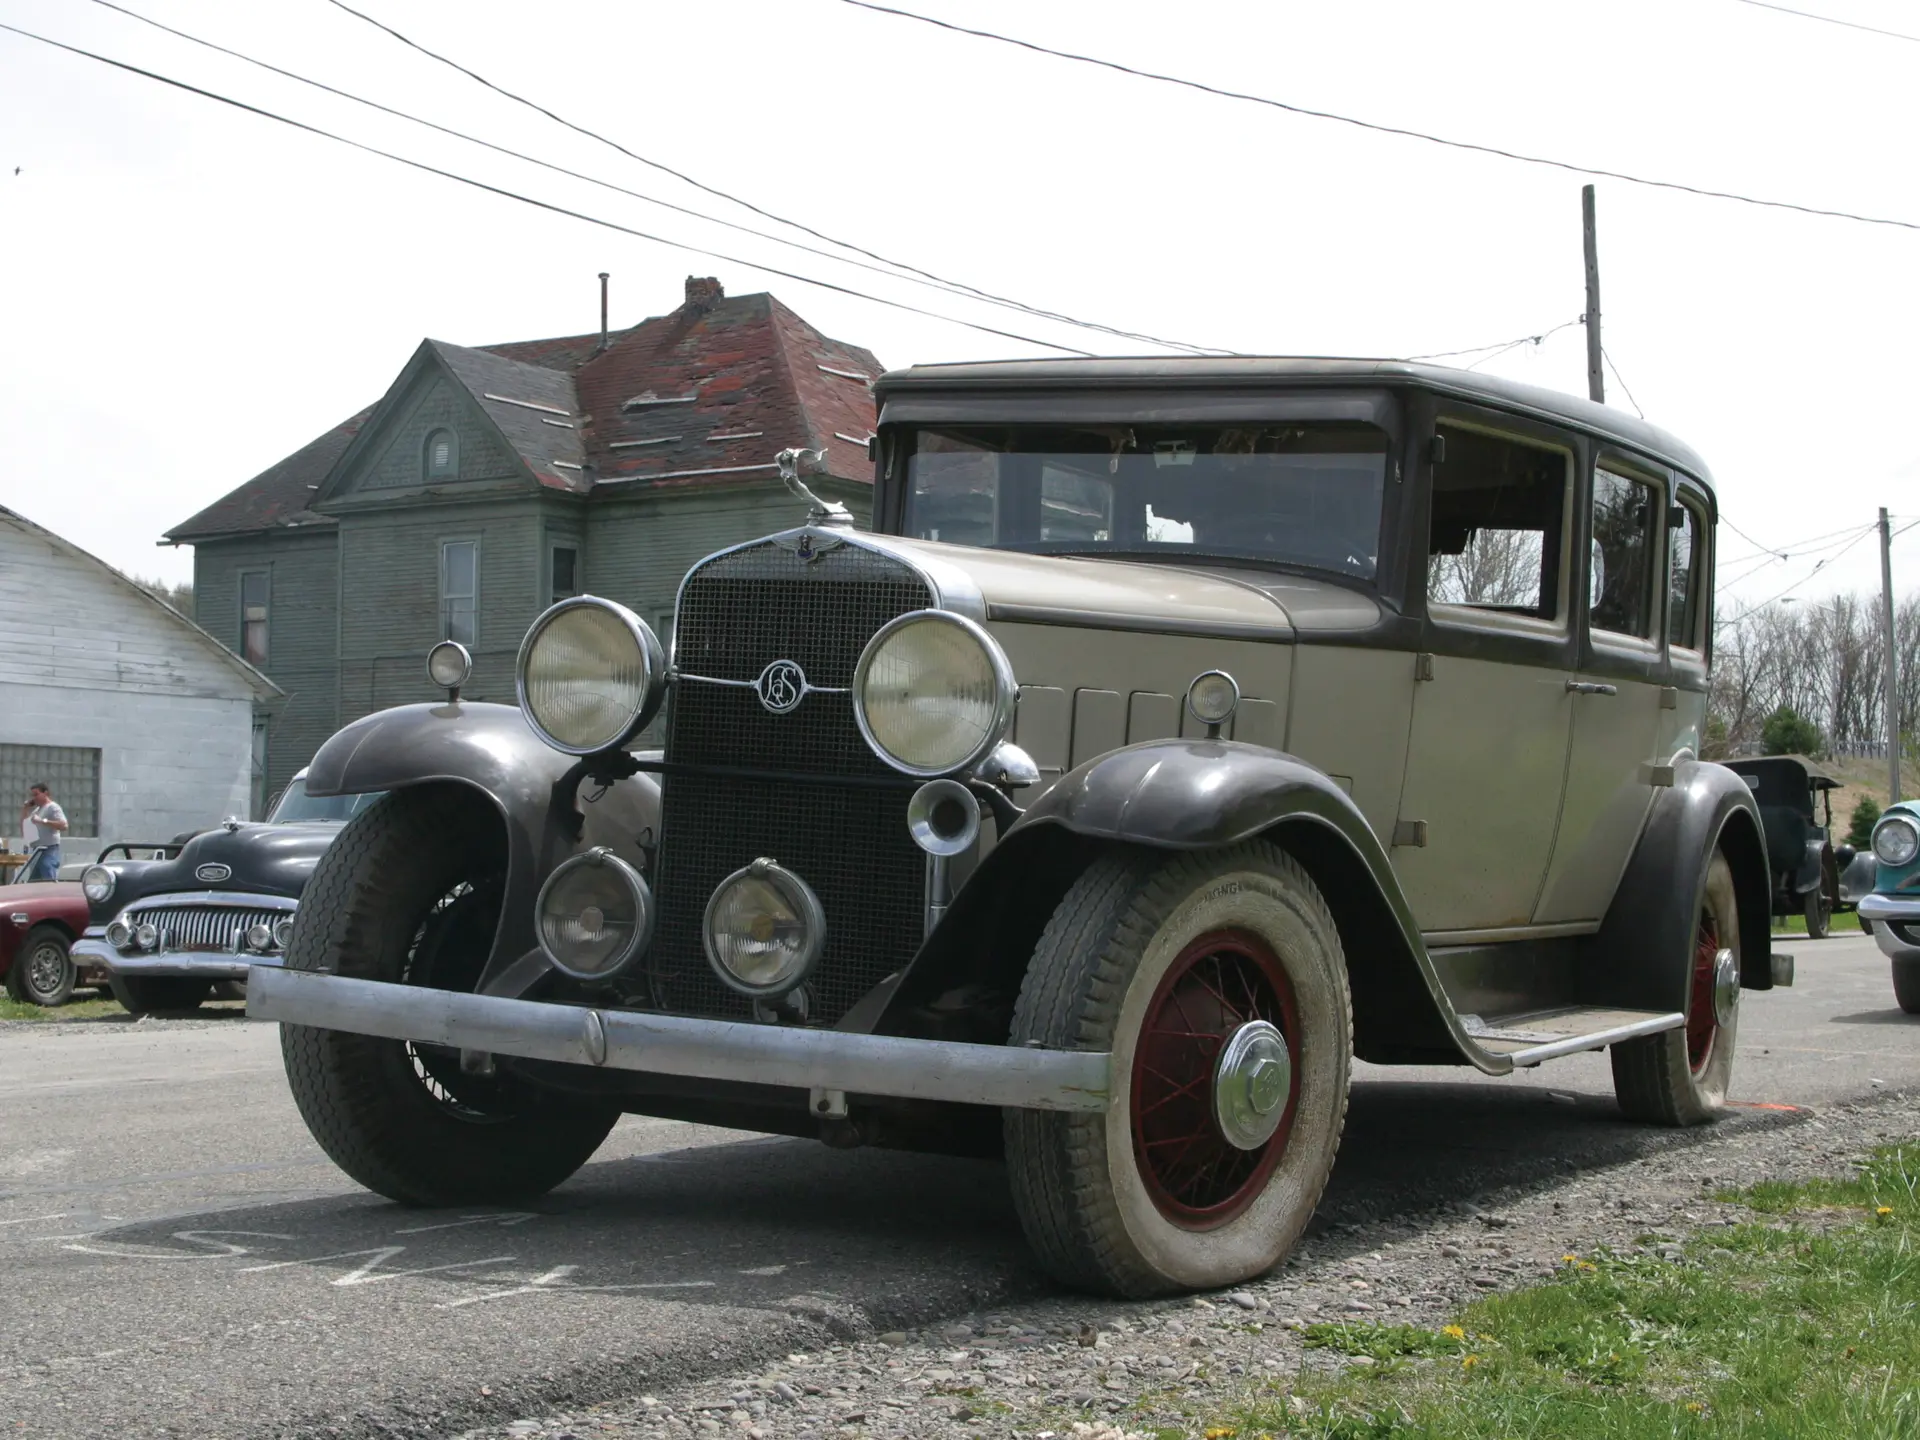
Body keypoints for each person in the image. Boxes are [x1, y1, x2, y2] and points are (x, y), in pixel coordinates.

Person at [19, 783, 68, 882]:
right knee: (35, 882)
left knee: (48, 878)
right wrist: (26, 808)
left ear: (45, 793)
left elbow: (64, 825)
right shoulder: (37, 810)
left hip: (49, 849)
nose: (34, 798)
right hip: (36, 850)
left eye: (36, 794)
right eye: (32, 795)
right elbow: (24, 825)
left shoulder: (53, 807)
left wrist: (42, 821)